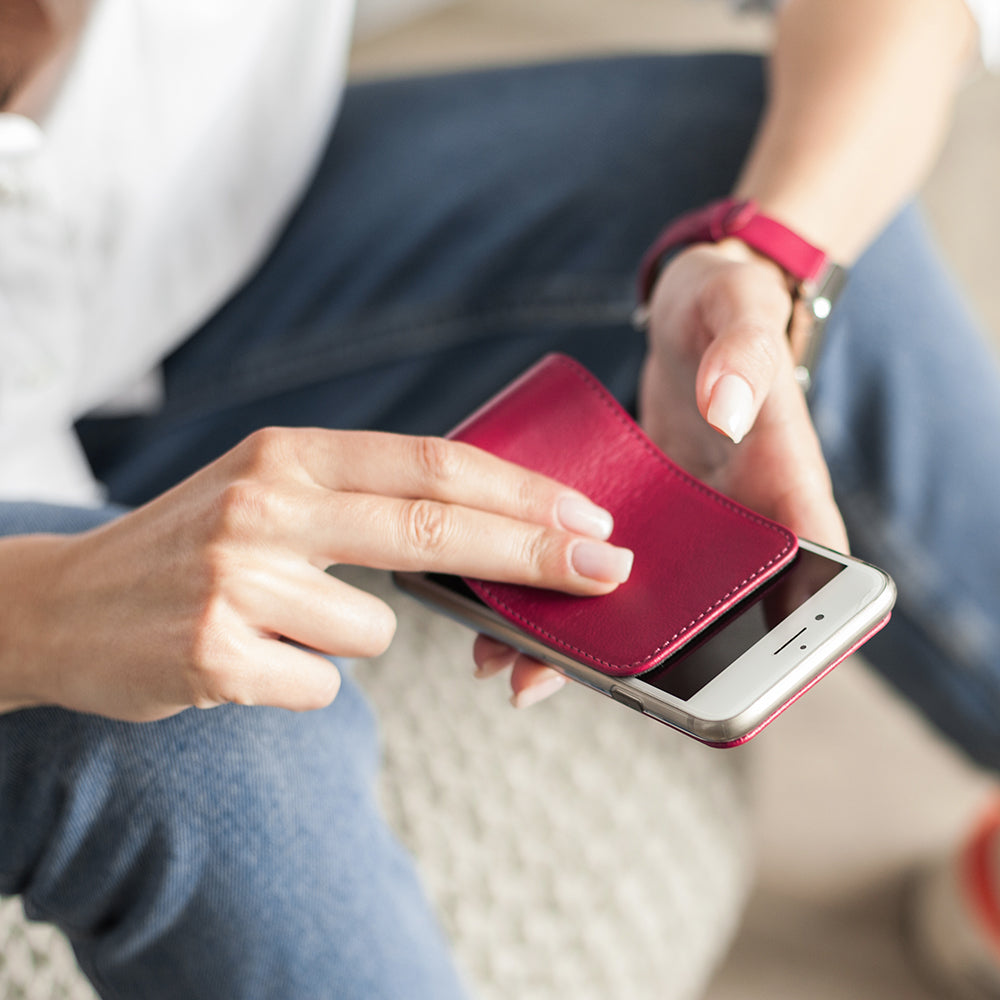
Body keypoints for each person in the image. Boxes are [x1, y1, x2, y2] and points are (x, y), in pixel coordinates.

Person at [1, 0, 998, 996]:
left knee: (761, 191)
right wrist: (38, 617)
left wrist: (764, 259)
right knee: (196, 742)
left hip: (168, 267)